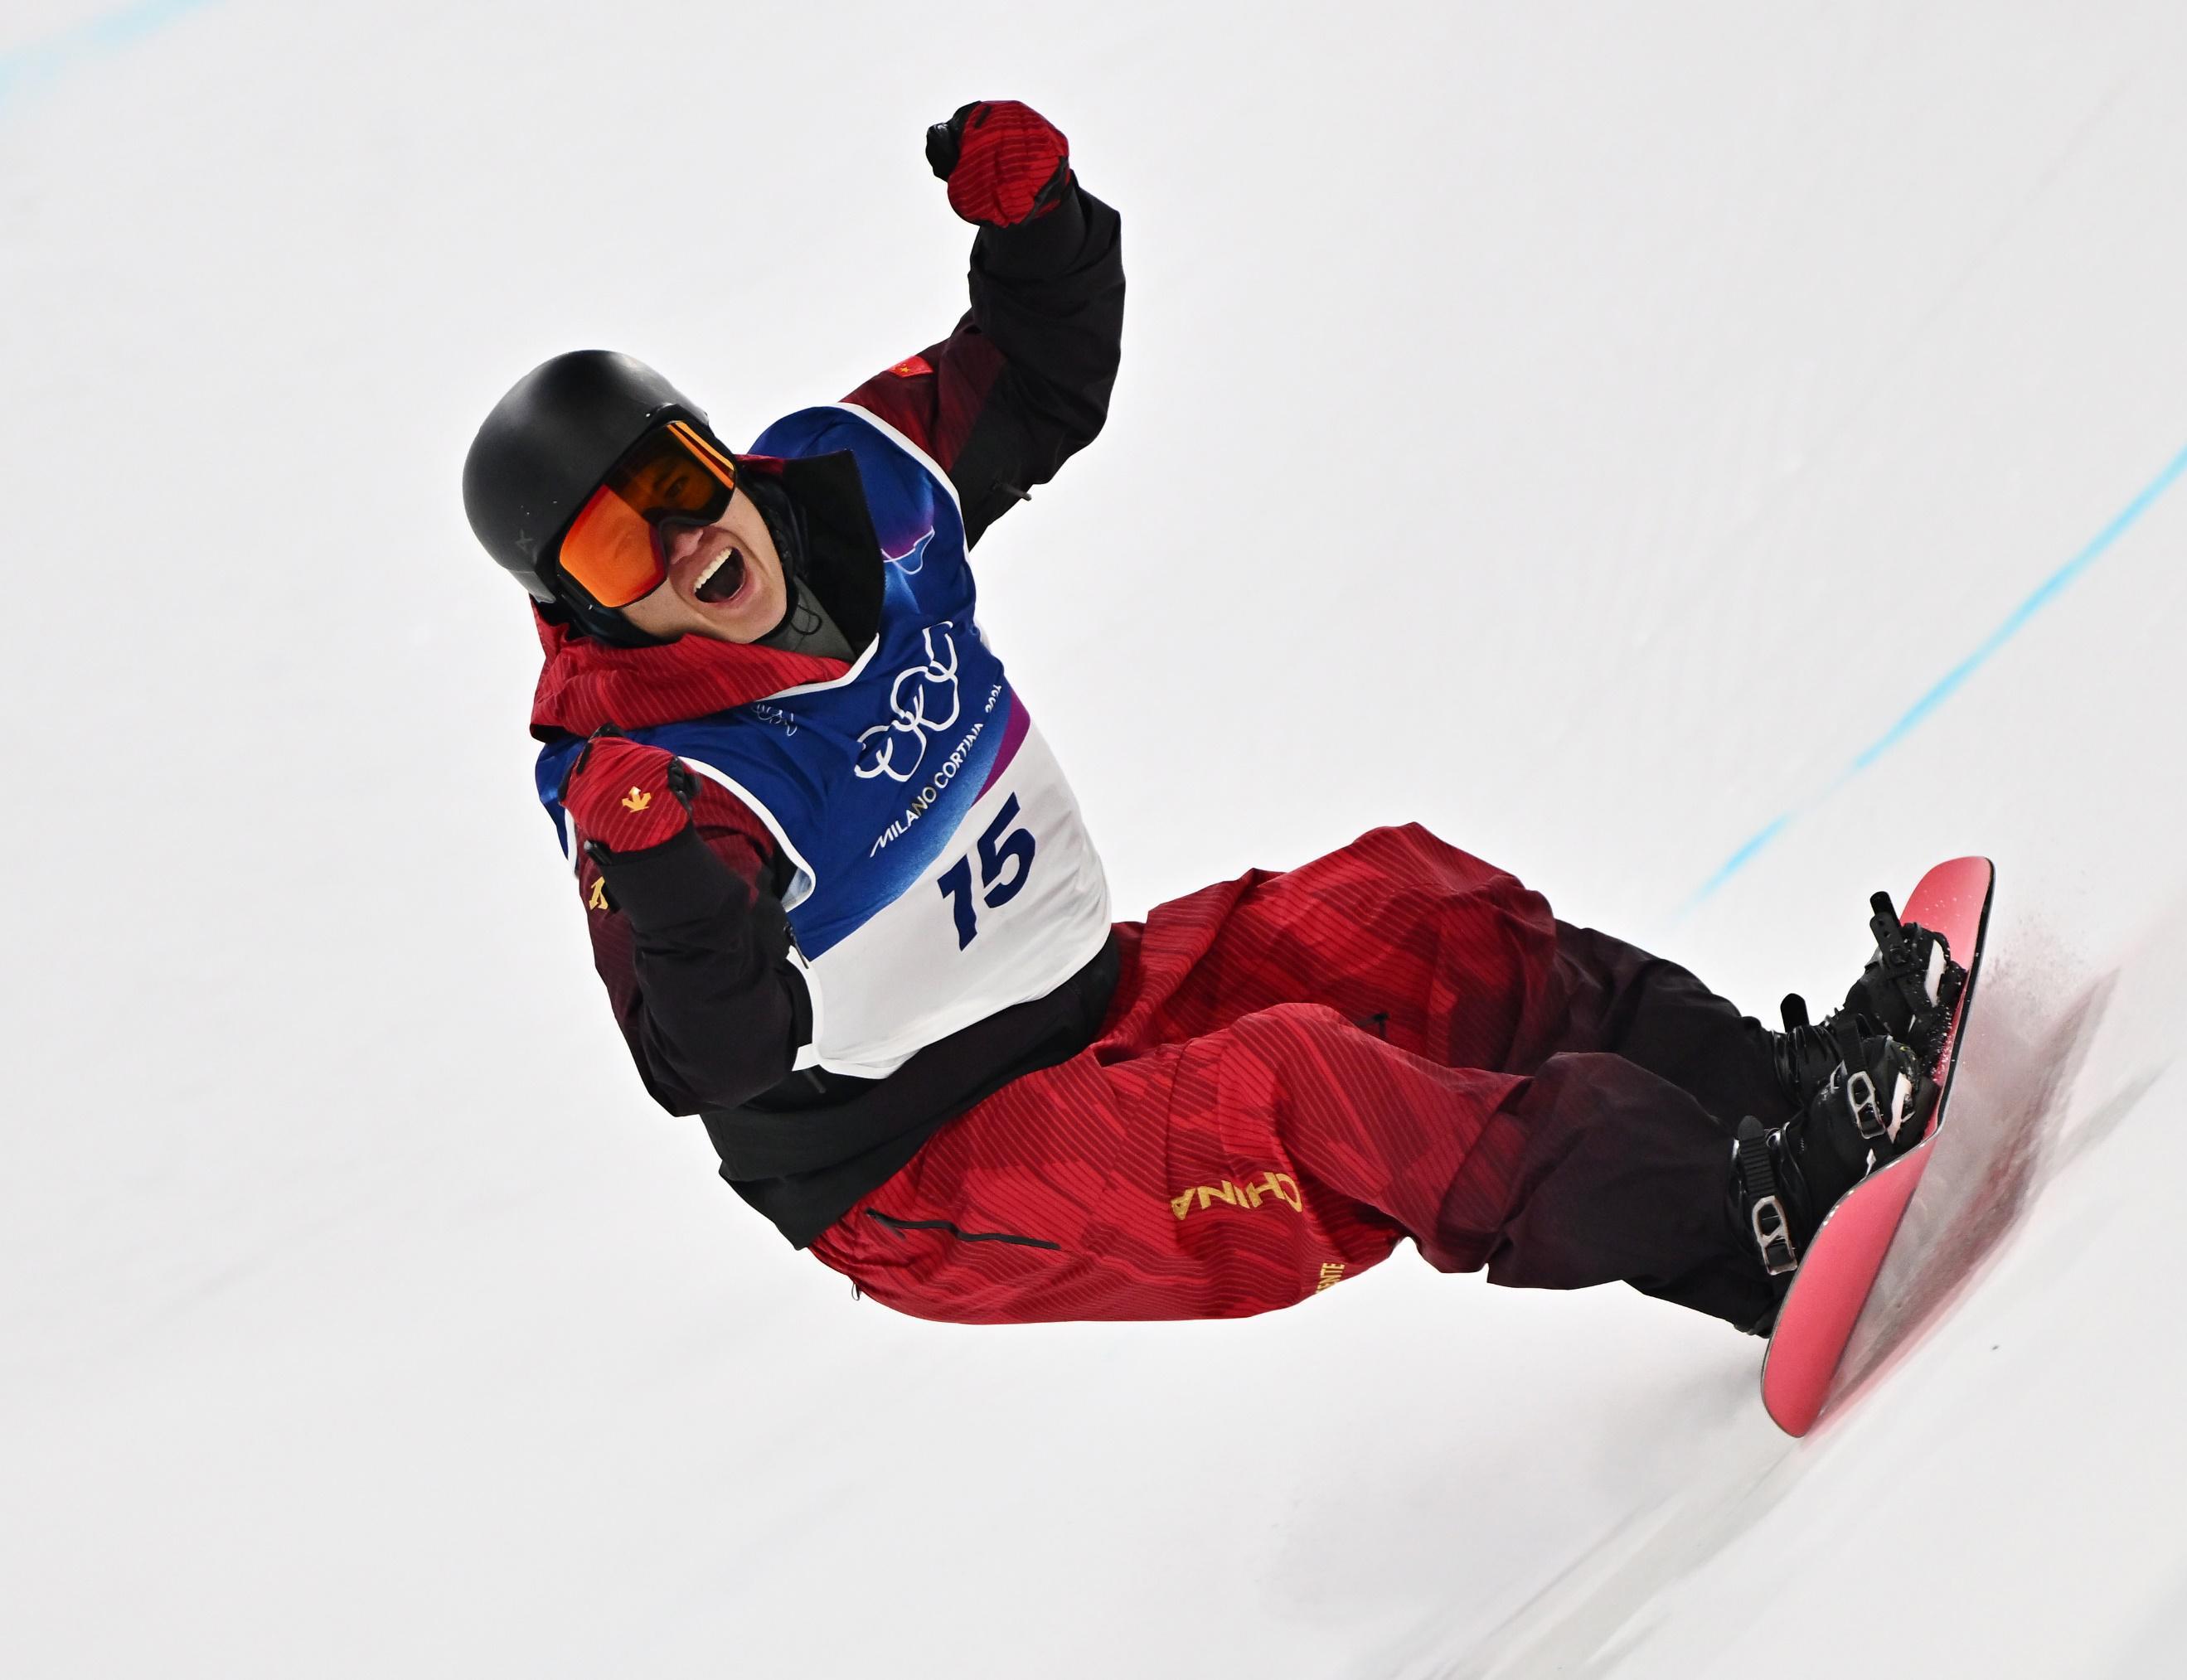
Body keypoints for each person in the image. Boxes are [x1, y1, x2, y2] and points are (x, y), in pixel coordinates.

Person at [461, 100, 1962, 1337]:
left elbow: (1036, 377)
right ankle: (1746, 1226)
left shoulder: (859, 488)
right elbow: (711, 1058)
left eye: (674, 484)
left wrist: (1038, 228)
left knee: (1421, 918)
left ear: (716, 453)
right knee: (1305, 1091)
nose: (680, 545)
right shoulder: (649, 776)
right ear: (582, 608)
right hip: (925, 1170)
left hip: (1094, 998)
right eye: (617, 552)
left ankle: (1789, 1099)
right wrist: (660, 873)